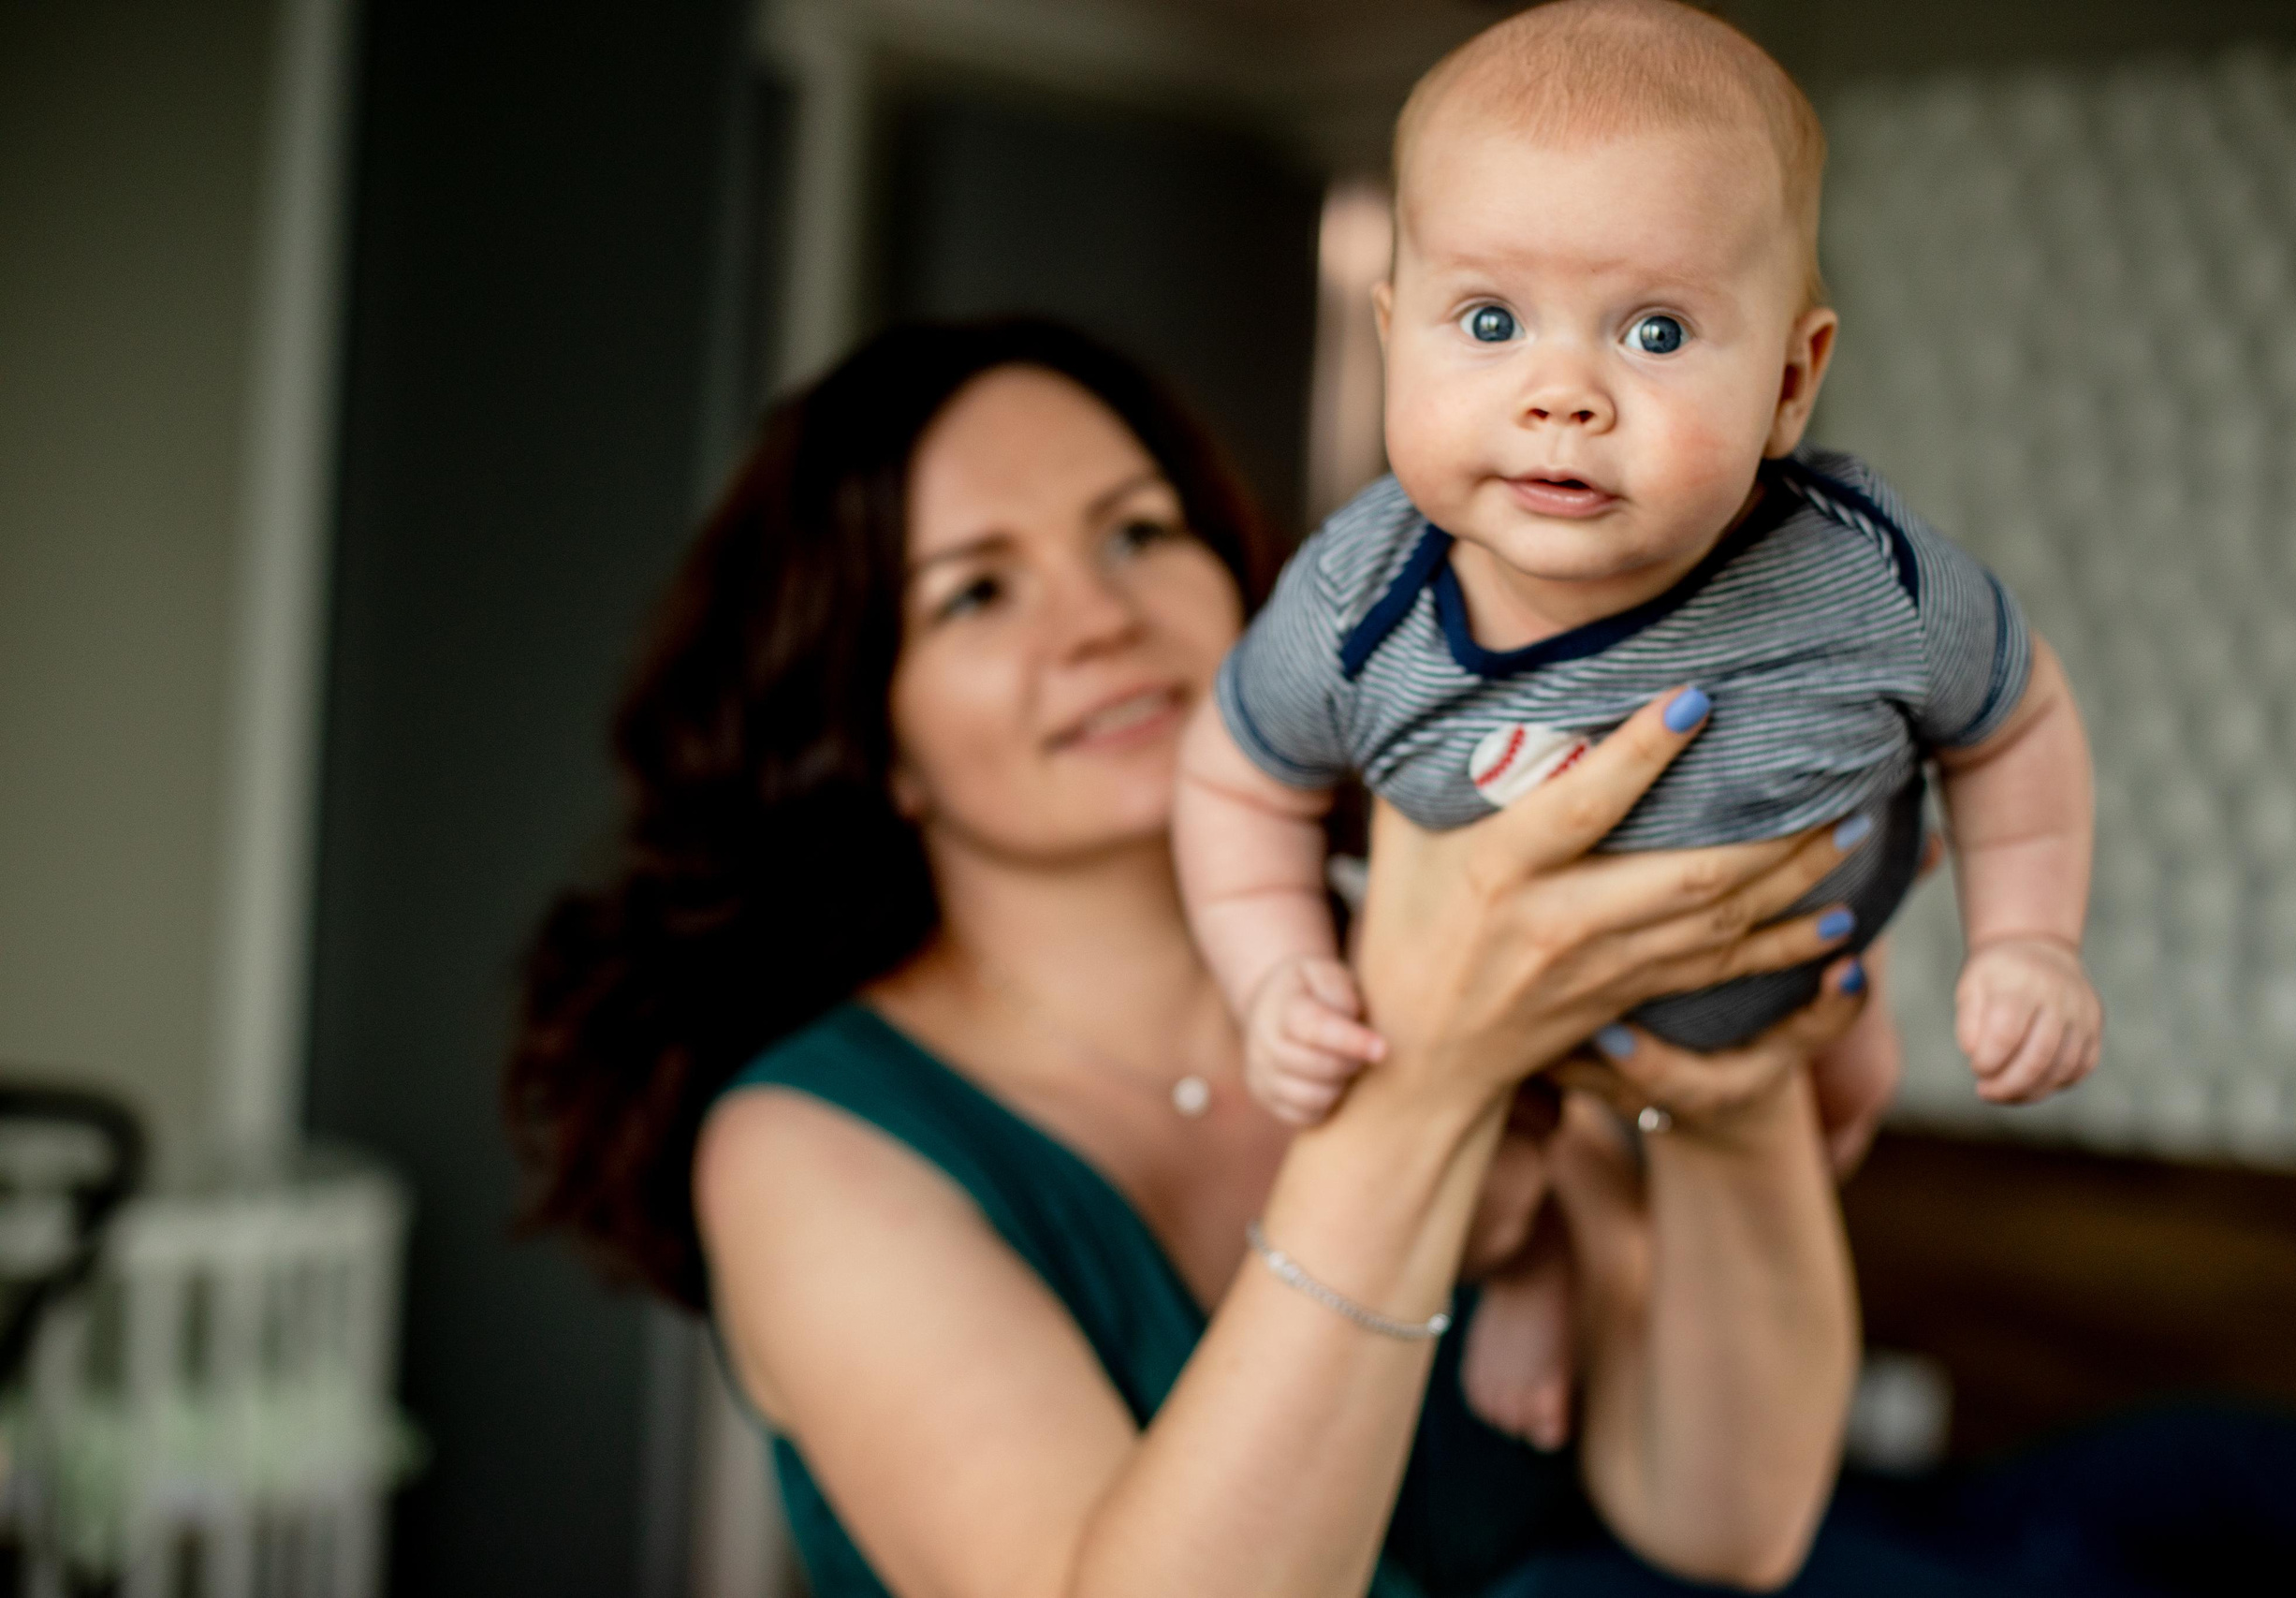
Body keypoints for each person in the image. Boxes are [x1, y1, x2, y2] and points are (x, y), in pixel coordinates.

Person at [506, 315, 1878, 1597]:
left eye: (1138, 533)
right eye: (977, 593)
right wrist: (1418, 1101)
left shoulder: (1447, 943)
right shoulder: (807, 1151)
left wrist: (1734, 1066)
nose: (1100, 620)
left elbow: (1726, 1519)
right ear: (872, 742)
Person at [1173, 0, 2101, 1454]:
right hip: (1497, 1047)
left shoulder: (1866, 580)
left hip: (1796, 1007)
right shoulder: (1358, 604)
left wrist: (2028, 937)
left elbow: (2016, 719)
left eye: (1655, 331)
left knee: (1850, 1092)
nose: (1561, 395)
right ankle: (1542, 1258)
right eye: (1488, 321)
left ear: (1792, 379)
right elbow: (1237, 779)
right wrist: (1273, 968)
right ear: (1389, 331)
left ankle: (1658, 1253)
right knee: (1468, 1197)